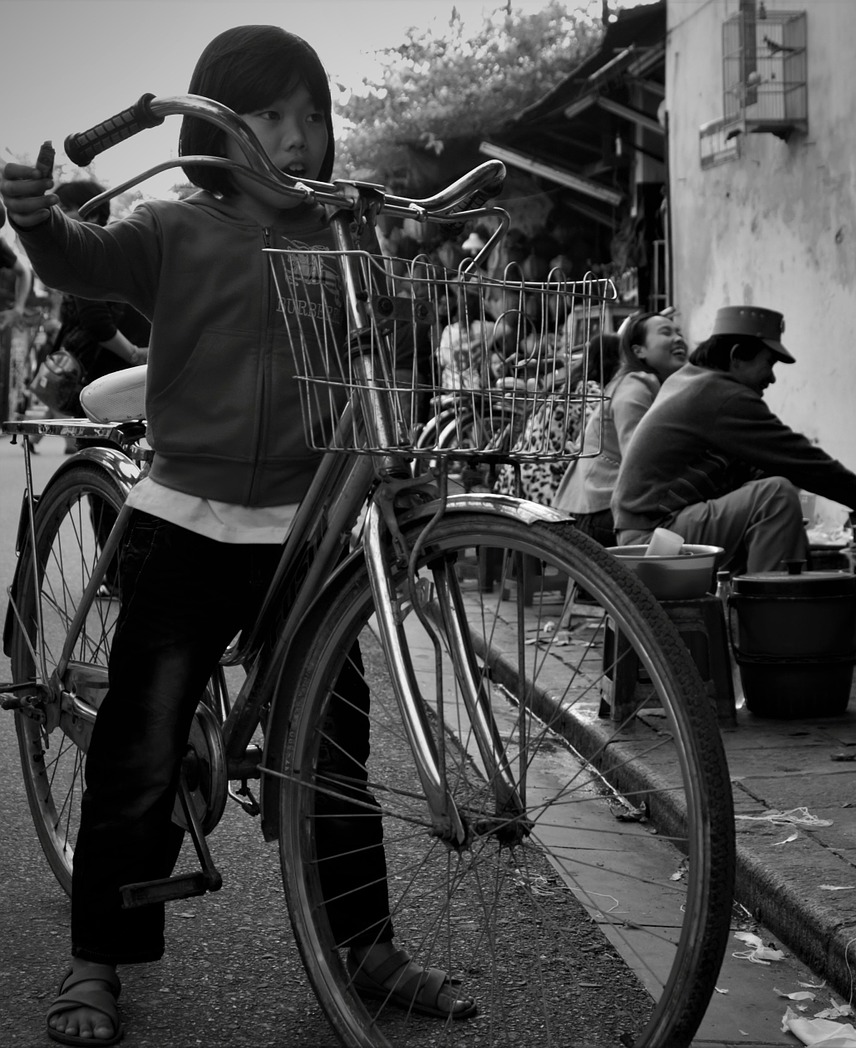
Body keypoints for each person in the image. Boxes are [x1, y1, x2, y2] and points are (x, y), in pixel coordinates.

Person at [2, 25, 475, 1046]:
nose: (298, 136)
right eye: (269, 115)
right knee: (142, 742)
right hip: (190, 518)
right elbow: (82, 261)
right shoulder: (176, 227)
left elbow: (372, 373)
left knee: (334, 743)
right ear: (216, 121)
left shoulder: (345, 238)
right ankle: (97, 961)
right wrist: (36, 222)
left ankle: (369, 944)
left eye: (312, 115)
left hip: (310, 531)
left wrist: (393, 476)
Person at [612, 305, 856, 572]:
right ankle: (774, 621)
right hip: (655, 537)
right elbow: (801, 459)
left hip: (653, 531)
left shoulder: (692, 381)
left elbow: (777, 464)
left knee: (780, 491)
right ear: (737, 356)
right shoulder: (719, 395)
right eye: (769, 363)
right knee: (776, 496)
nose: (772, 378)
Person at [554, 310, 688, 546]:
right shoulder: (635, 385)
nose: (678, 338)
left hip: (596, 508)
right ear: (639, 350)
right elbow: (641, 461)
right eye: (666, 332)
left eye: (679, 332)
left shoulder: (653, 387)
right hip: (597, 513)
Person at [37, 181, 150, 420]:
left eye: (64, 208)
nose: (56, 216)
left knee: (98, 445)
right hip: (126, 376)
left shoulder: (87, 253)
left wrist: (135, 354)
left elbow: (96, 321)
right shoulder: (118, 247)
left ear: (94, 212)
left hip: (103, 377)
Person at [492, 330, 621, 506]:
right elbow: (599, 438)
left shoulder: (571, 386)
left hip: (517, 480)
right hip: (543, 485)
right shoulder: (591, 391)